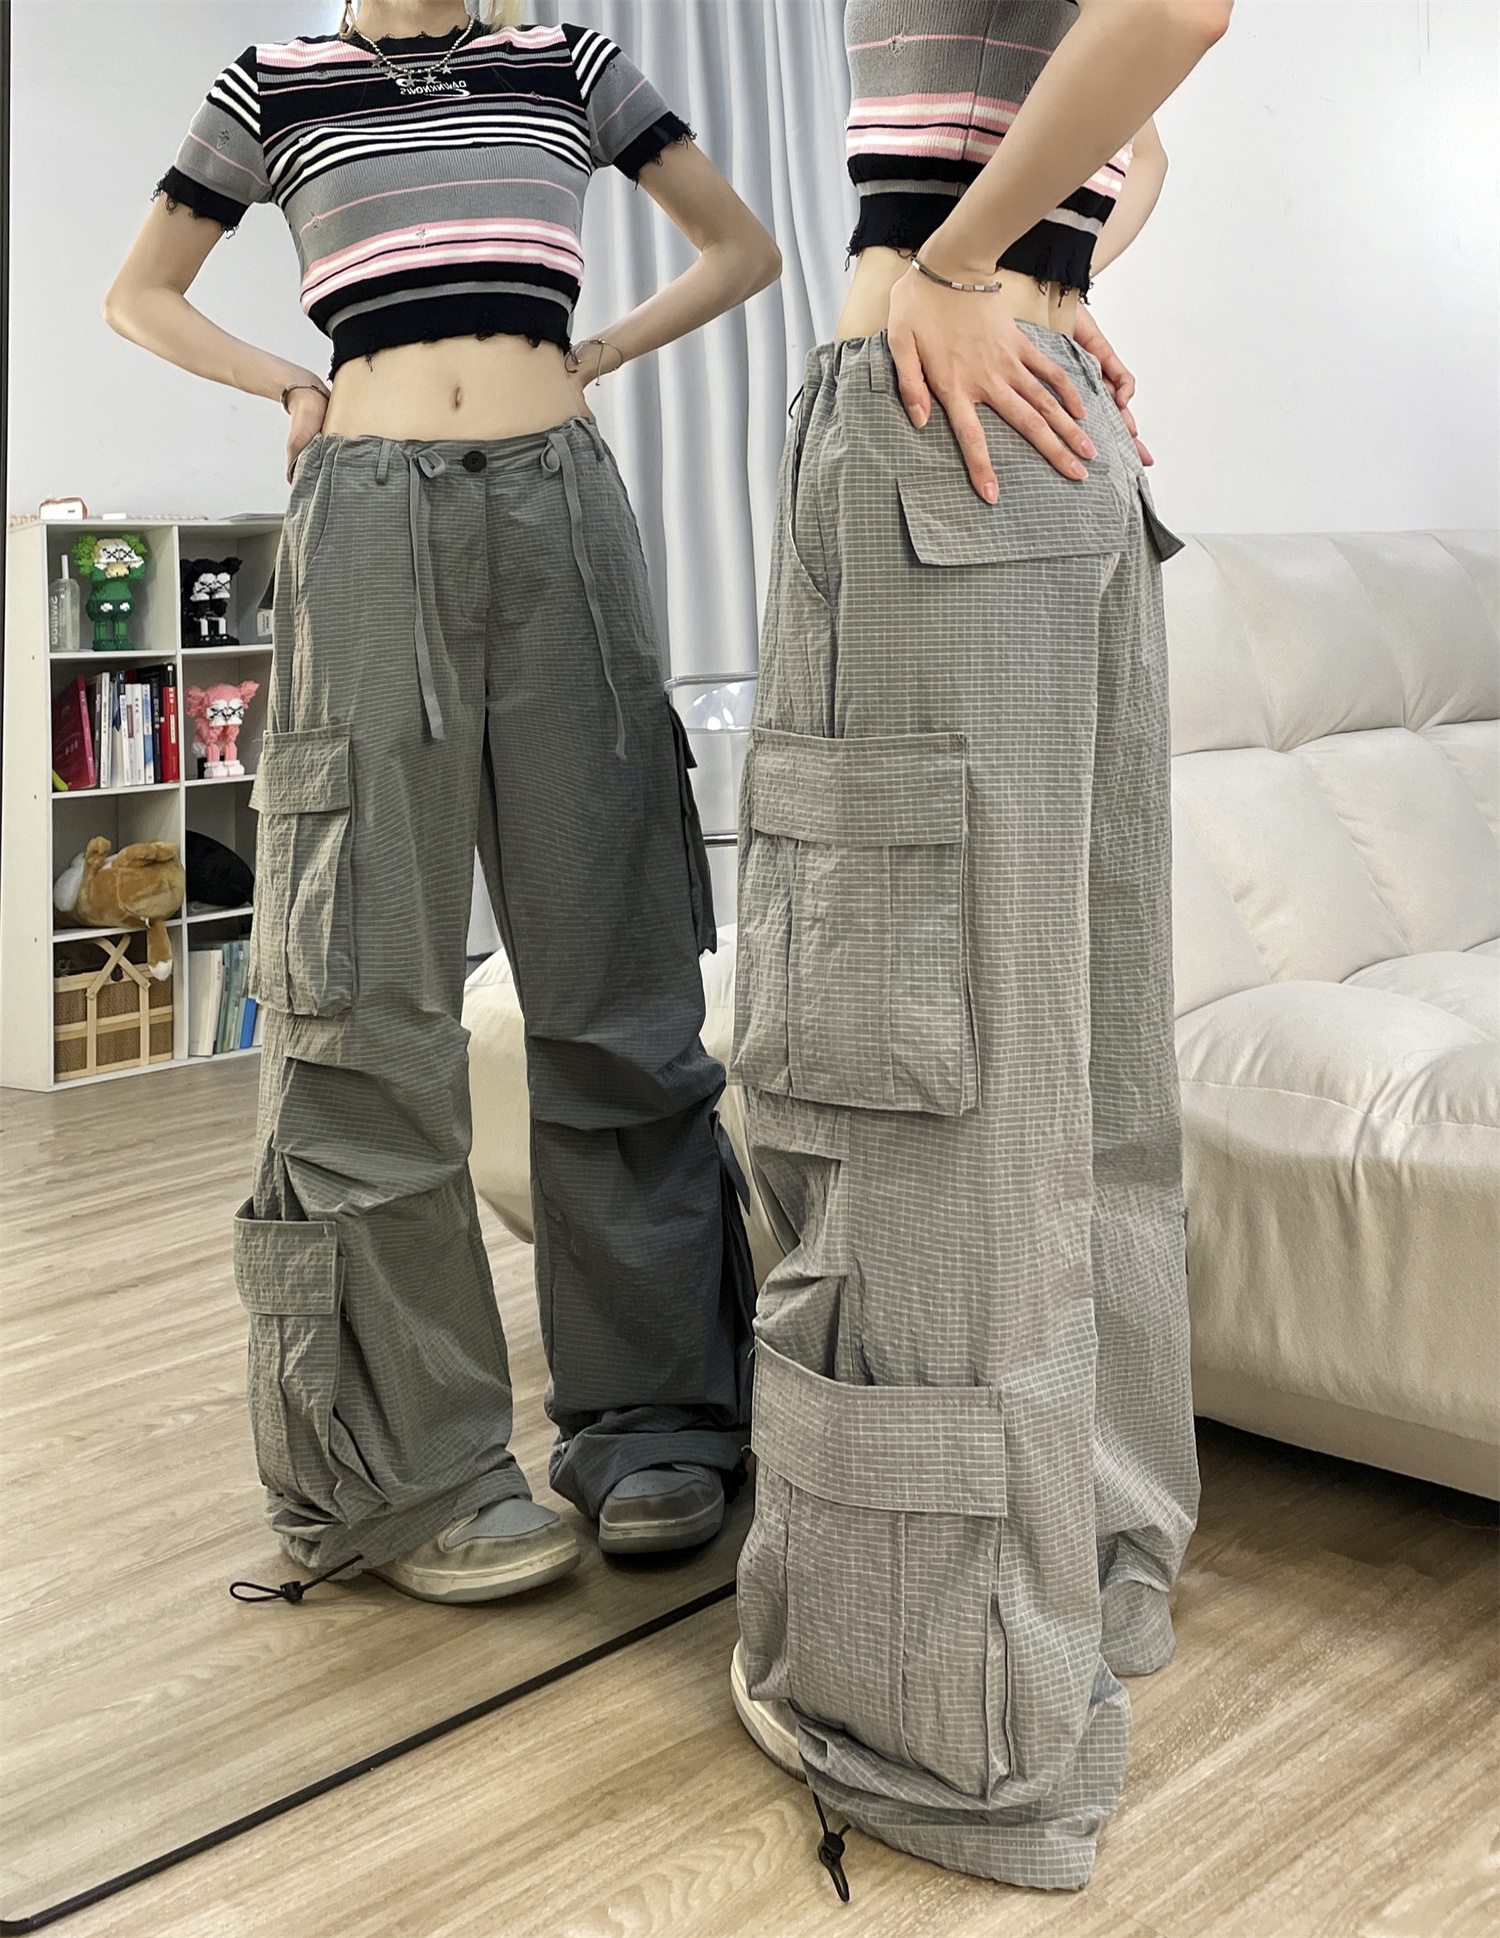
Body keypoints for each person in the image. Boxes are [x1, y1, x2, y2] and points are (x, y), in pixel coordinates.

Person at [104, 0, 780, 1604]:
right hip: (366, 523)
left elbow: (741, 248)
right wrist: (288, 381)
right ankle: (418, 1471)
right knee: (364, 1006)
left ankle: (655, 1420)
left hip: (563, 520)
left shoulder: (568, 63)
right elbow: (139, 291)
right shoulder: (273, 88)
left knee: (618, 987)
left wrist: (600, 350)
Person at [729, 0, 1230, 1891]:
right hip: (1043, 428)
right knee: (1074, 1061)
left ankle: (953, 1705)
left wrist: (955, 264)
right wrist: (1054, 263)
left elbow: (1172, 15)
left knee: (914, 1088)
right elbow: (1141, 122)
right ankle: (1088, 1572)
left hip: (941, 426)